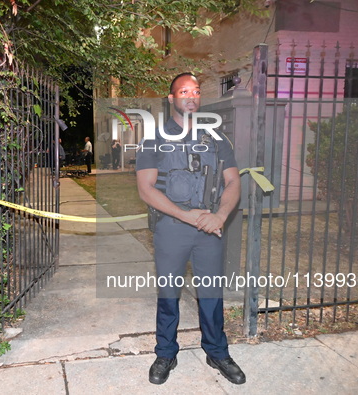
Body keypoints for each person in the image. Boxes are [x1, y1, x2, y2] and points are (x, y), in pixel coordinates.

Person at [135, 73, 245, 385]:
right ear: (171, 99)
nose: (191, 96)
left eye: (196, 91)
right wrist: (189, 216)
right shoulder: (154, 139)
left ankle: (217, 352)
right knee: (168, 294)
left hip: (209, 229)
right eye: (184, 91)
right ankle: (166, 353)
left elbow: (234, 180)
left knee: (211, 293)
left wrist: (220, 215)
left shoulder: (216, 138)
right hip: (171, 229)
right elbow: (146, 189)